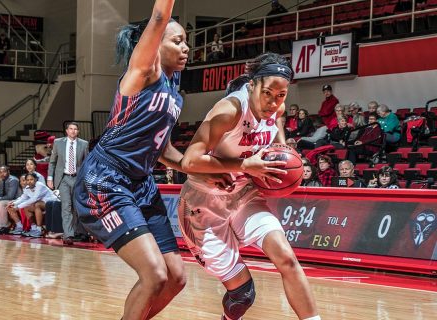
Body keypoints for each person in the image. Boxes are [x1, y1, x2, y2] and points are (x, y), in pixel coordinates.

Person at [178, 52, 320, 320]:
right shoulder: (228, 110)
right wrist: (243, 165)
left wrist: (285, 161)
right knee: (242, 295)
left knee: (287, 258)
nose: (274, 102)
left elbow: (278, 143)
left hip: (244, 196)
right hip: (203, 205)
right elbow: (189, 161)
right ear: (252, 84)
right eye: (268, 93)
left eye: (281, 95)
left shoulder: (276, 107)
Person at [73, 1, 189, 319]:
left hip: (142, 183)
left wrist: (202, 168)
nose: (186, 47)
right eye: (177, 40)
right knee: (154, 275)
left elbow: (164, 151)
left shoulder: (175, 90)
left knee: (176, 277)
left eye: (186, 40)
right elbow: (160, 15)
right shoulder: (143, 72)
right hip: (106, 179)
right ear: (153, 45)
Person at [47, 122, 89, 245]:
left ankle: (76, 231)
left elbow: (86, 163)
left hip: (77, 178)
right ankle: (68, 235)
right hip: (64, 178)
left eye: (75, 129)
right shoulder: (58, 142)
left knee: (76, 207)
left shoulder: (84, 144)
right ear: (66, 131)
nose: (73, 131)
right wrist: (50, 178)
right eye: (71, 129)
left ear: (78, 131)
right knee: (66, 206)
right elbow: (52, 162)